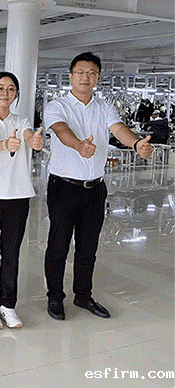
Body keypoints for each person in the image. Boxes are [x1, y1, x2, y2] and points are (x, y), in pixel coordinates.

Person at [44, 52, 153, 321]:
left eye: (91, 73)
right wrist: (79, 145)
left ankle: (83, 296)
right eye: (80, 72)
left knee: (88, 248)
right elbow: (61, 130)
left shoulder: (104, 107)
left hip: (95, 189)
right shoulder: (57, 106)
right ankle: (55, 297)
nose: (86, 77)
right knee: (58, 245)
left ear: (98, 77)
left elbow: (118, 128)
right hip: (63, 187)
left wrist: (136, 144)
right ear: (71, 76)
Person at [0, 72, 44, 330]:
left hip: (17, 196)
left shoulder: (21, 120)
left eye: (11, 89)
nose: (5, 93)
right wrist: (5, 143)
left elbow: (29, 137)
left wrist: (34, 141)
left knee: (11, 253)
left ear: (16, 94)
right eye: (1, 88)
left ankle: (8, 304)